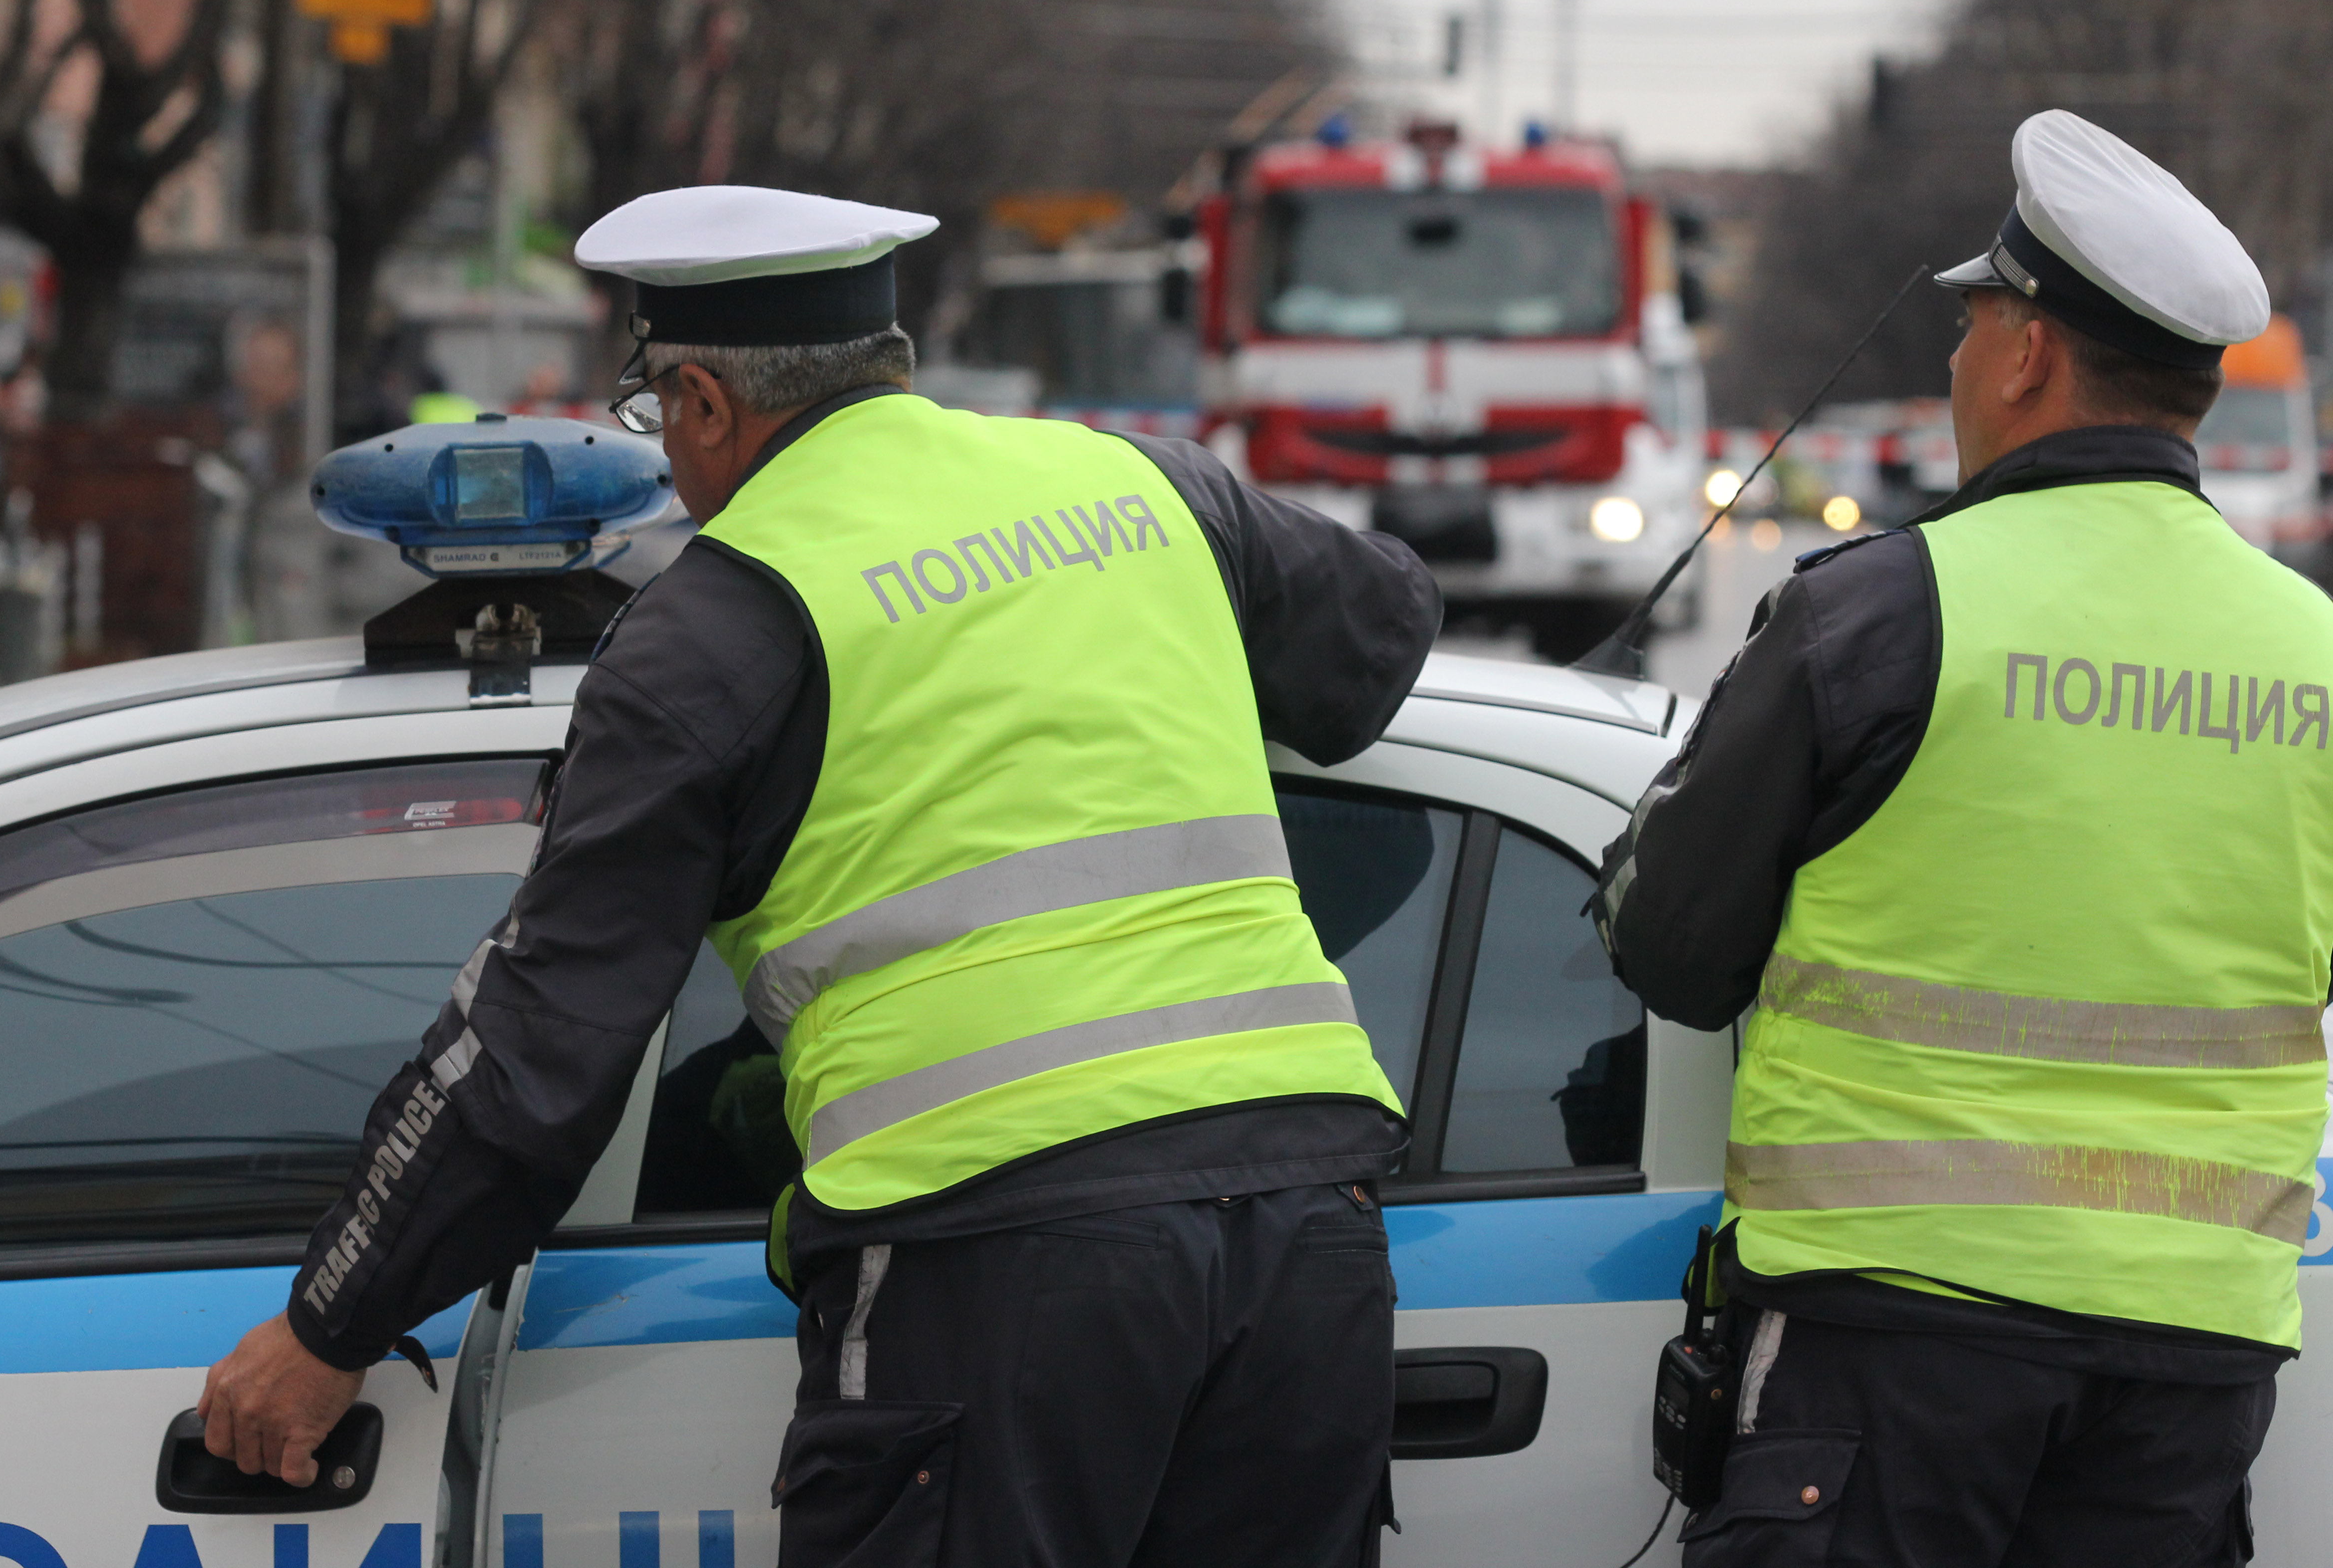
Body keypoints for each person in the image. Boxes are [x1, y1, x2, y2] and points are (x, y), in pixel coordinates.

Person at [197, 183, 1440, 1567]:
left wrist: (330, 1326)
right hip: (1308, 1222)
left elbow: (534, 1055)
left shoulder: (716, 631)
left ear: (711, 405)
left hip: (1001, 1252)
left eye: (657, 408)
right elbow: (1382, 630)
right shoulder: (1139, 485)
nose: (665, 446)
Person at [1594, 110, 2333, 1565]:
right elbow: (2307, 970)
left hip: (1899, 1344)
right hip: (2193, 1371)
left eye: (1973, 326)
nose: (1957, 361)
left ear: (2029, 351)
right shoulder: (2328, 658)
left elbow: (1675, 949)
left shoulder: (1884, 612)